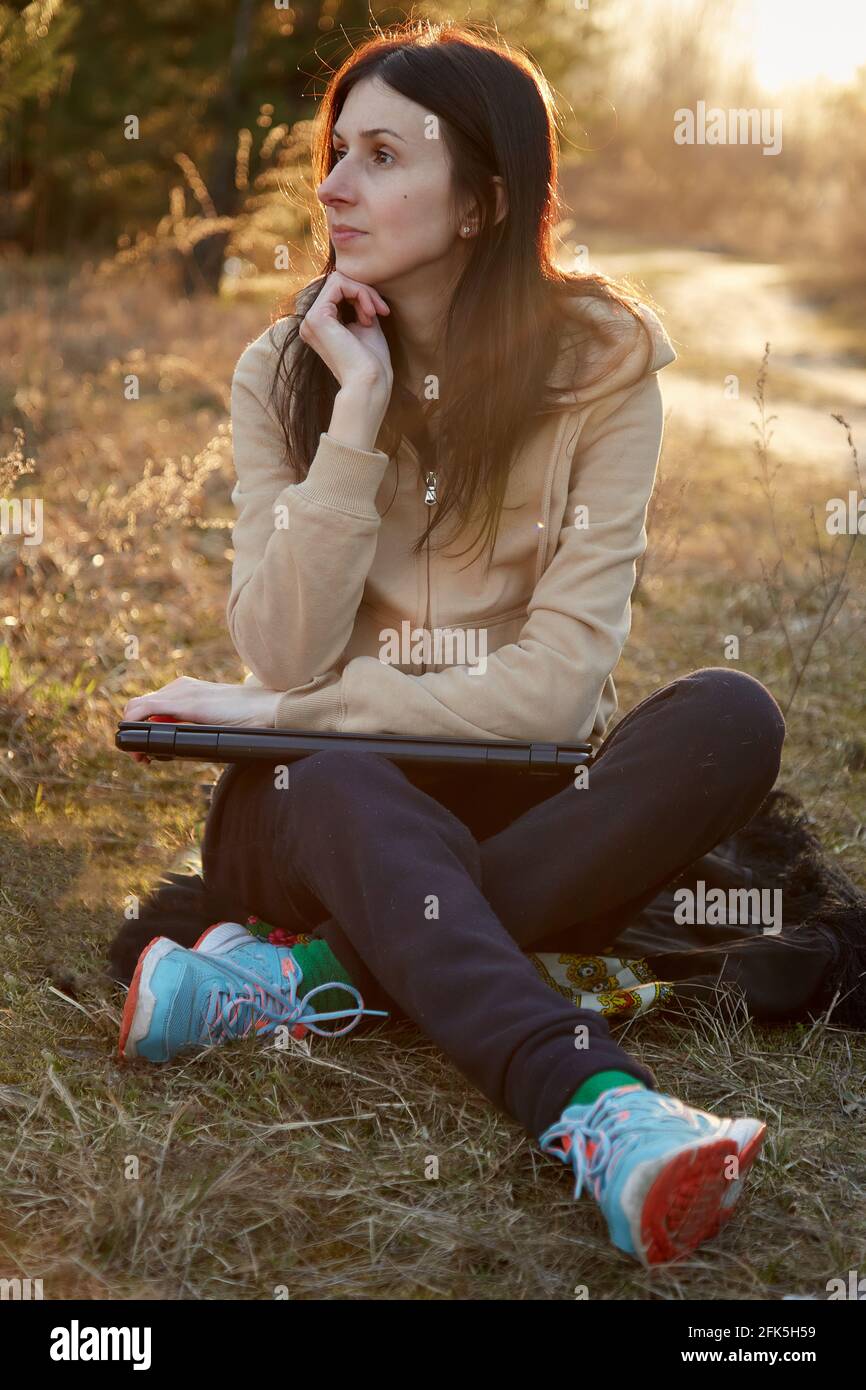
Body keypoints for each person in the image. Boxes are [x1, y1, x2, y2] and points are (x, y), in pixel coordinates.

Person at [116, 22, 786, 1267]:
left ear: (482, 199)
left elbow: (557, 686)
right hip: (316, 807)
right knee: (340, 777)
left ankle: (297, 980)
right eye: (335, 151)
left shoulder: (600, 362)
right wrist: (355, 417)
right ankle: (602, 1110)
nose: (331, 185)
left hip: (510, 785)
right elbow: (278, 650)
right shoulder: (280, 370)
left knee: (729, 717)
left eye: (380, 154)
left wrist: (277, 714)